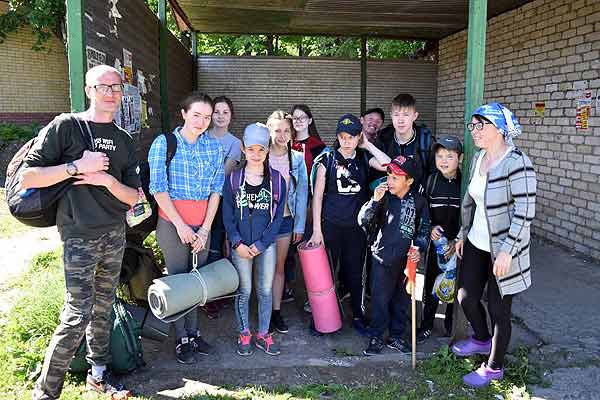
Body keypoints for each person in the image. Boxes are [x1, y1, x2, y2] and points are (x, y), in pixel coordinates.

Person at [25, 65, 139, 400]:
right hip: (79, 236)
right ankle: (46, 392)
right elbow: (28, 178)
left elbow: (134, 196)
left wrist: (106, 180)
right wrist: (77, 167)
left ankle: (98, 375)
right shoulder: (66, 127)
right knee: (77, 314)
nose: (111, 92)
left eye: (117, 87)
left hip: (114, 235)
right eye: (103, 86)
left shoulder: (124, 140)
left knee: (104, 308)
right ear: (88, 90)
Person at [452, 103, 536, 388]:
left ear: (499, 129)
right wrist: (463, 233)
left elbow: (525, 212)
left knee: (500, 310)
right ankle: (481, 339)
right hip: (476, 242)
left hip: (503, 249)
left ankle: (494, 367)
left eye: (480, 125)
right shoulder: (478, 158)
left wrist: (507, 250)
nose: (474, 131)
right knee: (465, 297)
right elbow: (472, 200)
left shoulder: (517, 162)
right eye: (472, 125)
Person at [148, 92, 224, 364]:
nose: (202, 121)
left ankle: (194, 333)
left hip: (202, 225)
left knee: (197, 281)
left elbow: (216, 190)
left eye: (207, 117)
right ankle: (181, 338)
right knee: (179, 281)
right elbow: (158, 188)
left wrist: (205, 229)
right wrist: (180, 225)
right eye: (196, 115)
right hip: (172, 224)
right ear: (183, 114)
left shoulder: (214, 147)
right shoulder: (164, 143)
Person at [308, 114, 390, 336]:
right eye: (343, 137)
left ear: (358, 137)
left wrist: (368, 145)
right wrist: (317, 230)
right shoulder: (327, 160)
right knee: (325, 274)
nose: (347, 141)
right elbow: (317, 197)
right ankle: (322, 316)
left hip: (356, 229)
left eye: (352, 137)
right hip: (330, 226)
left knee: (355, 274)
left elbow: (388, 165)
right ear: (337, 137)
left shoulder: (364, 158)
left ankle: (357, 315)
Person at [222, 123, 287, 356]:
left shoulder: (278, 180)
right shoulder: (233, 179)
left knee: (265, 291)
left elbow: (278, 218)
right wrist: (237, 242)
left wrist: (262, 244)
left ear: (268, 149)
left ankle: (263, 333)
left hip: (265, 245)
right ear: (243, 148)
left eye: (261, 149)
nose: (256, 154)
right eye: (251, 149)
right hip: (240, 246)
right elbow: (227, 215)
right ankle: (244, 332)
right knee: (244, 290)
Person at [358, 155, 430, 355]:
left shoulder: (419, 202)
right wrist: (374, 201)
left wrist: (419, 248)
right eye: (388, 175)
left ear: (410, 181)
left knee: (402, 300)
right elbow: (362, 221)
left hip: (406, 261)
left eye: (396, 177)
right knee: (380, 300)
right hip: (381, 257)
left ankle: (397, 336)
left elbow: (423, 229)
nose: (389, 180)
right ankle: (376, 336)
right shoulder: (382, 198)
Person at [418, 134, 463, 343]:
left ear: (460, 158)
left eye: (450, 156)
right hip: (436, 246)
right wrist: (430, 228)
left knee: (454, 286)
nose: (444, 161)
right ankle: (426, 325)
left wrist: (457, 241)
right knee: (430, 286)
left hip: (458, 246)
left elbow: (471, 215)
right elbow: (423, 210)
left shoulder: (465, 183)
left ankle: (449, 325)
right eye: (440, 156)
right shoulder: (431, 181)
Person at [266, 111, 308, 334]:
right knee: (262, 269)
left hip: (284, 221)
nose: (282, 135)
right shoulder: (260, 155)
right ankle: (263, 312)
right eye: (277, 130)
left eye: (286, 131)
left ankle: (275, 312)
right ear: (269, 131)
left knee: (279, 267)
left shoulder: (297, 159)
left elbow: (301, 194)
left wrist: (299, 225)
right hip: (262, 223)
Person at [204, 96, 242, 318]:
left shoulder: (235, 144)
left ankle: (217, 296)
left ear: (231, 116)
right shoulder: (200, 136)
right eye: (216, 112)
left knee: (217, 247)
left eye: (225, 112)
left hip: (220, 202)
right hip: (196, 201)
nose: (220, 116)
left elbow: (224, 173)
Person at [375, 94, 435, 190]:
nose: (400, 120)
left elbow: (434, 173)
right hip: (388, 199)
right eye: (396, 114)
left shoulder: (425, 140)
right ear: (391, 115)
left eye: (406, 115)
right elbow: (372, 165)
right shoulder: (383, 138)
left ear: (415, 116)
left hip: (418, 200)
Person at [290, 104, 327, 177]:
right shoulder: (287, 144)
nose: (298, 121)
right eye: (295, 118)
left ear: (310, 121)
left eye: (302, 117)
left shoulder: (319, 147)